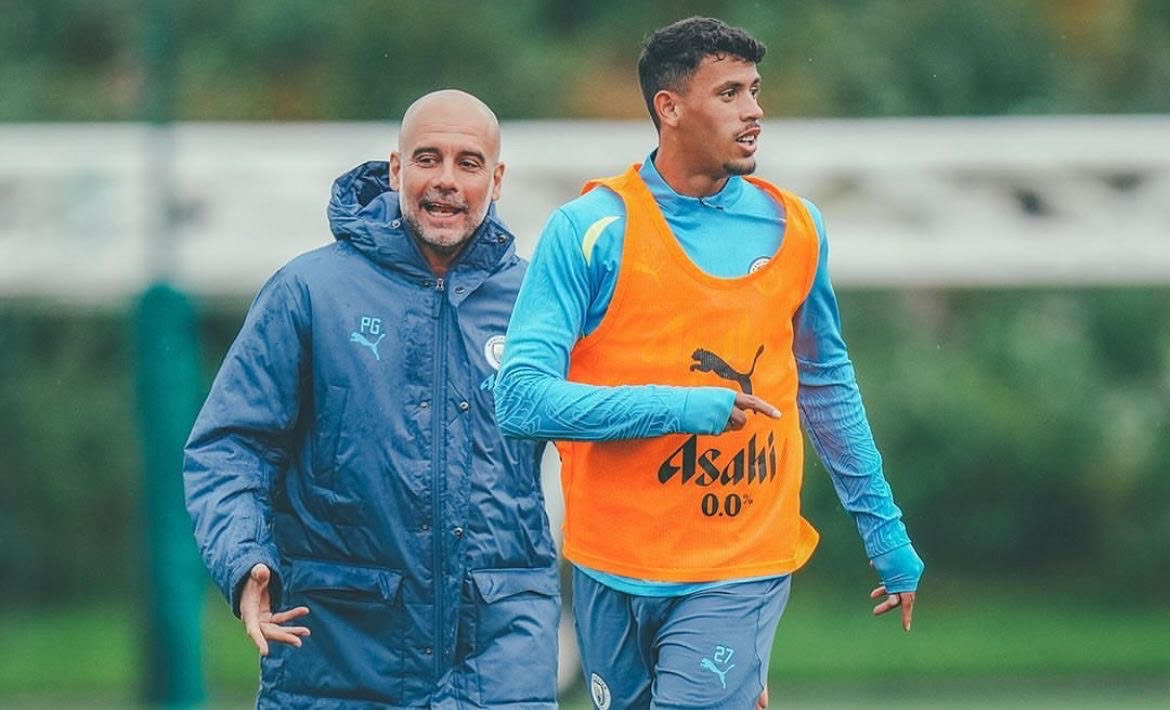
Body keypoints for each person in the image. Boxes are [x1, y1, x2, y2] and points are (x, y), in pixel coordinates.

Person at [493, 17, 924, 709]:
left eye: (755, 91)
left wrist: (885, 530)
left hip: (740, 561)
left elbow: (826, 385)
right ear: (670, 108)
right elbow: (519, 401)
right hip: (609, 564)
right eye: (729, 93)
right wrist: (684, 407)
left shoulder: (796, 228)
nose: (755, 112)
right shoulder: (591, 230)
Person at [184, 89, 559, 709]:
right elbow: (231, 446)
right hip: (336, 652)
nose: (445, 180)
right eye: (427, 159)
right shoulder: (308, 291)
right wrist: (244, 558)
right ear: (395, 170)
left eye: (467, 164)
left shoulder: (538, 303)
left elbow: (616, 450)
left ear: (497, 179)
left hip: (500, 658)